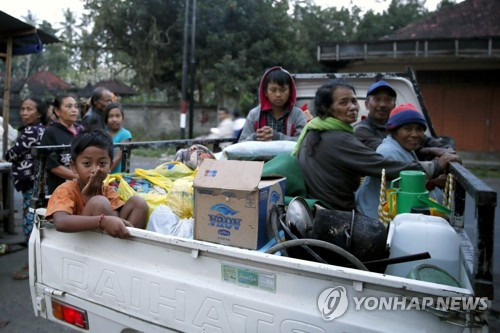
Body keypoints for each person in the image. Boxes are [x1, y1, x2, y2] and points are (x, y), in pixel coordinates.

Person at [294, 79, 457, 211]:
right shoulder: (339, 138)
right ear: (326, 108)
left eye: (353, 101)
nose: (352, 107)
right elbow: (382, 165)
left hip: (324, 208)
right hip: (337, 212)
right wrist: (434, 166)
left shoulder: (317, 128)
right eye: (344, 103)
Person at [355, 103, 459, 219]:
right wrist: (433, 182)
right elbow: (402, 189)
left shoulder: (405, 148)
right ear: (394, 131)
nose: (414, 134)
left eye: (419, 129)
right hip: (377, 218)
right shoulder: (388, 151)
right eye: (407, 128)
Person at [45, 130, 148, 238]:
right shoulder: (66, 189)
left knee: (138, 202)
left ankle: (128, 244)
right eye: (87, 164)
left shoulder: (108, 190)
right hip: (82, 240)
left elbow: (115, 216)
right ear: (74, 167)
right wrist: (102, 221)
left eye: (102, 163)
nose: (95, 170)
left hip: (109, 241)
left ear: (110, 166)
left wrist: (92, 196)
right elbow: (61, 222)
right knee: (99, 202)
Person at [354, 80, 456, 158]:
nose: (383, 105)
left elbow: (427, 140)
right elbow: (393, 151)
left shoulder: (400, 126)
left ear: (394, 105)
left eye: (388, 100)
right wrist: (431, 151)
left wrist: (447, 149)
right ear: (367, 104)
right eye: (377, 99)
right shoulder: (361, 130)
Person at [6, 98, 48, 280]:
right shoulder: (41, 130)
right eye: (22, 109)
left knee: (30, 221)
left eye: (29, 109)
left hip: (31, 182)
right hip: (36, 182)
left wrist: (7, 154)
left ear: (39, 113)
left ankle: (33, 265)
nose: (24, 113)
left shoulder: (31, 131)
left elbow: (14, 153)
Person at [239, 66, 306, 142]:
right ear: (265, 92)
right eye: (273, 90)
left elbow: (303, 142)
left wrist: (278, 137)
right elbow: (241, 142)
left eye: (283, 90)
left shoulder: (298, 114)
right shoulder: (254, 115)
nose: (278, 94)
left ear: (290, 92)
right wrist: (256, 136)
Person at [41, 94, 85, 195]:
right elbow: (52, 165)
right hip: (60, 188)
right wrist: (79, 177)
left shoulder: (81, 130)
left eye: (76, 106)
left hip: (82, 187)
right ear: (57, 111)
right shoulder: (50, 132)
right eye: (69, 106)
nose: (74, 110)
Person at [104, 102, 132, 173]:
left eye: (117, 116)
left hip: (118, 174)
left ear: (122, 117)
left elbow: (119, 156)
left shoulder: (125, 134)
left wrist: (106, 171)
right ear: (106, 119)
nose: (114, 119)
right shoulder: (103, 134)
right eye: (111, 116)